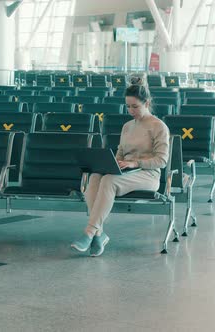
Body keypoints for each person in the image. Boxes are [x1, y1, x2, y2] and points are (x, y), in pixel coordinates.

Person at [71, 80, 170, 257]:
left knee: (109, 180)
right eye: (128, 107)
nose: (131, 111)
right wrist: (110, 163)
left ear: (146, 104)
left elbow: (161, 160)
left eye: (135, 107)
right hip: (126, 172)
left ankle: (89, 232)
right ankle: (99, 235)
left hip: (147, 175)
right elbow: (120, 154)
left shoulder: (159, 127)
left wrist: (136, 163)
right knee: (94, 177)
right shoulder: (127, 126)